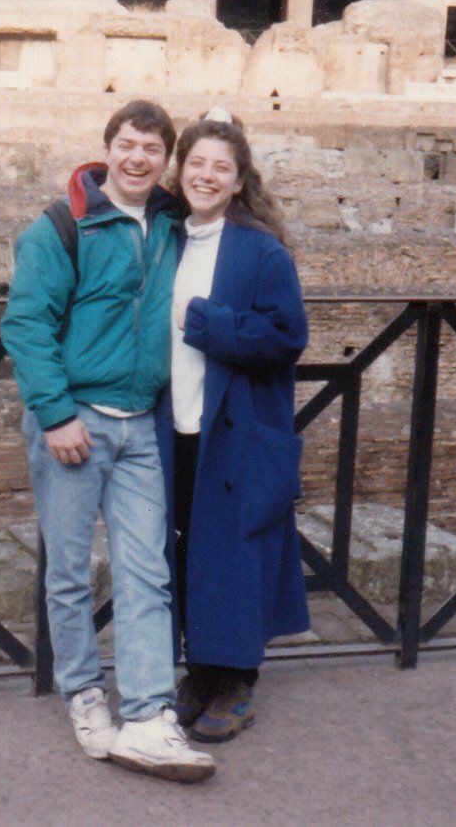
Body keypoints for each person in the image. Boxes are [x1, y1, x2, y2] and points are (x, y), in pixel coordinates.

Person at [0, 100, 216, 784]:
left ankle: (151, 714)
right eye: (127, 144)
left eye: (152, 149)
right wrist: (56, 412)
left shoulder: (172, 226)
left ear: (164, 160)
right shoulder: (60, 227)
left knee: (147, 568)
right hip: (76, 420)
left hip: (140, 422)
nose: (137, 158)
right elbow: (26, 325)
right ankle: (85, 694)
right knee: (68, 570)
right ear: (107, 148)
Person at [162, 108, 310, 744]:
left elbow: (286, 336)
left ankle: (238, 676)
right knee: (188, 546)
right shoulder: (165, 235)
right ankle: (200, 669)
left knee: (236, 549)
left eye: (220, 166)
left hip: (238, 424)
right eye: (196, 162)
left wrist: (205, 321)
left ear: (239, 178)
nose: (206, 174)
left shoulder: (260, 249)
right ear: (181, 169)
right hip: (174, 423)